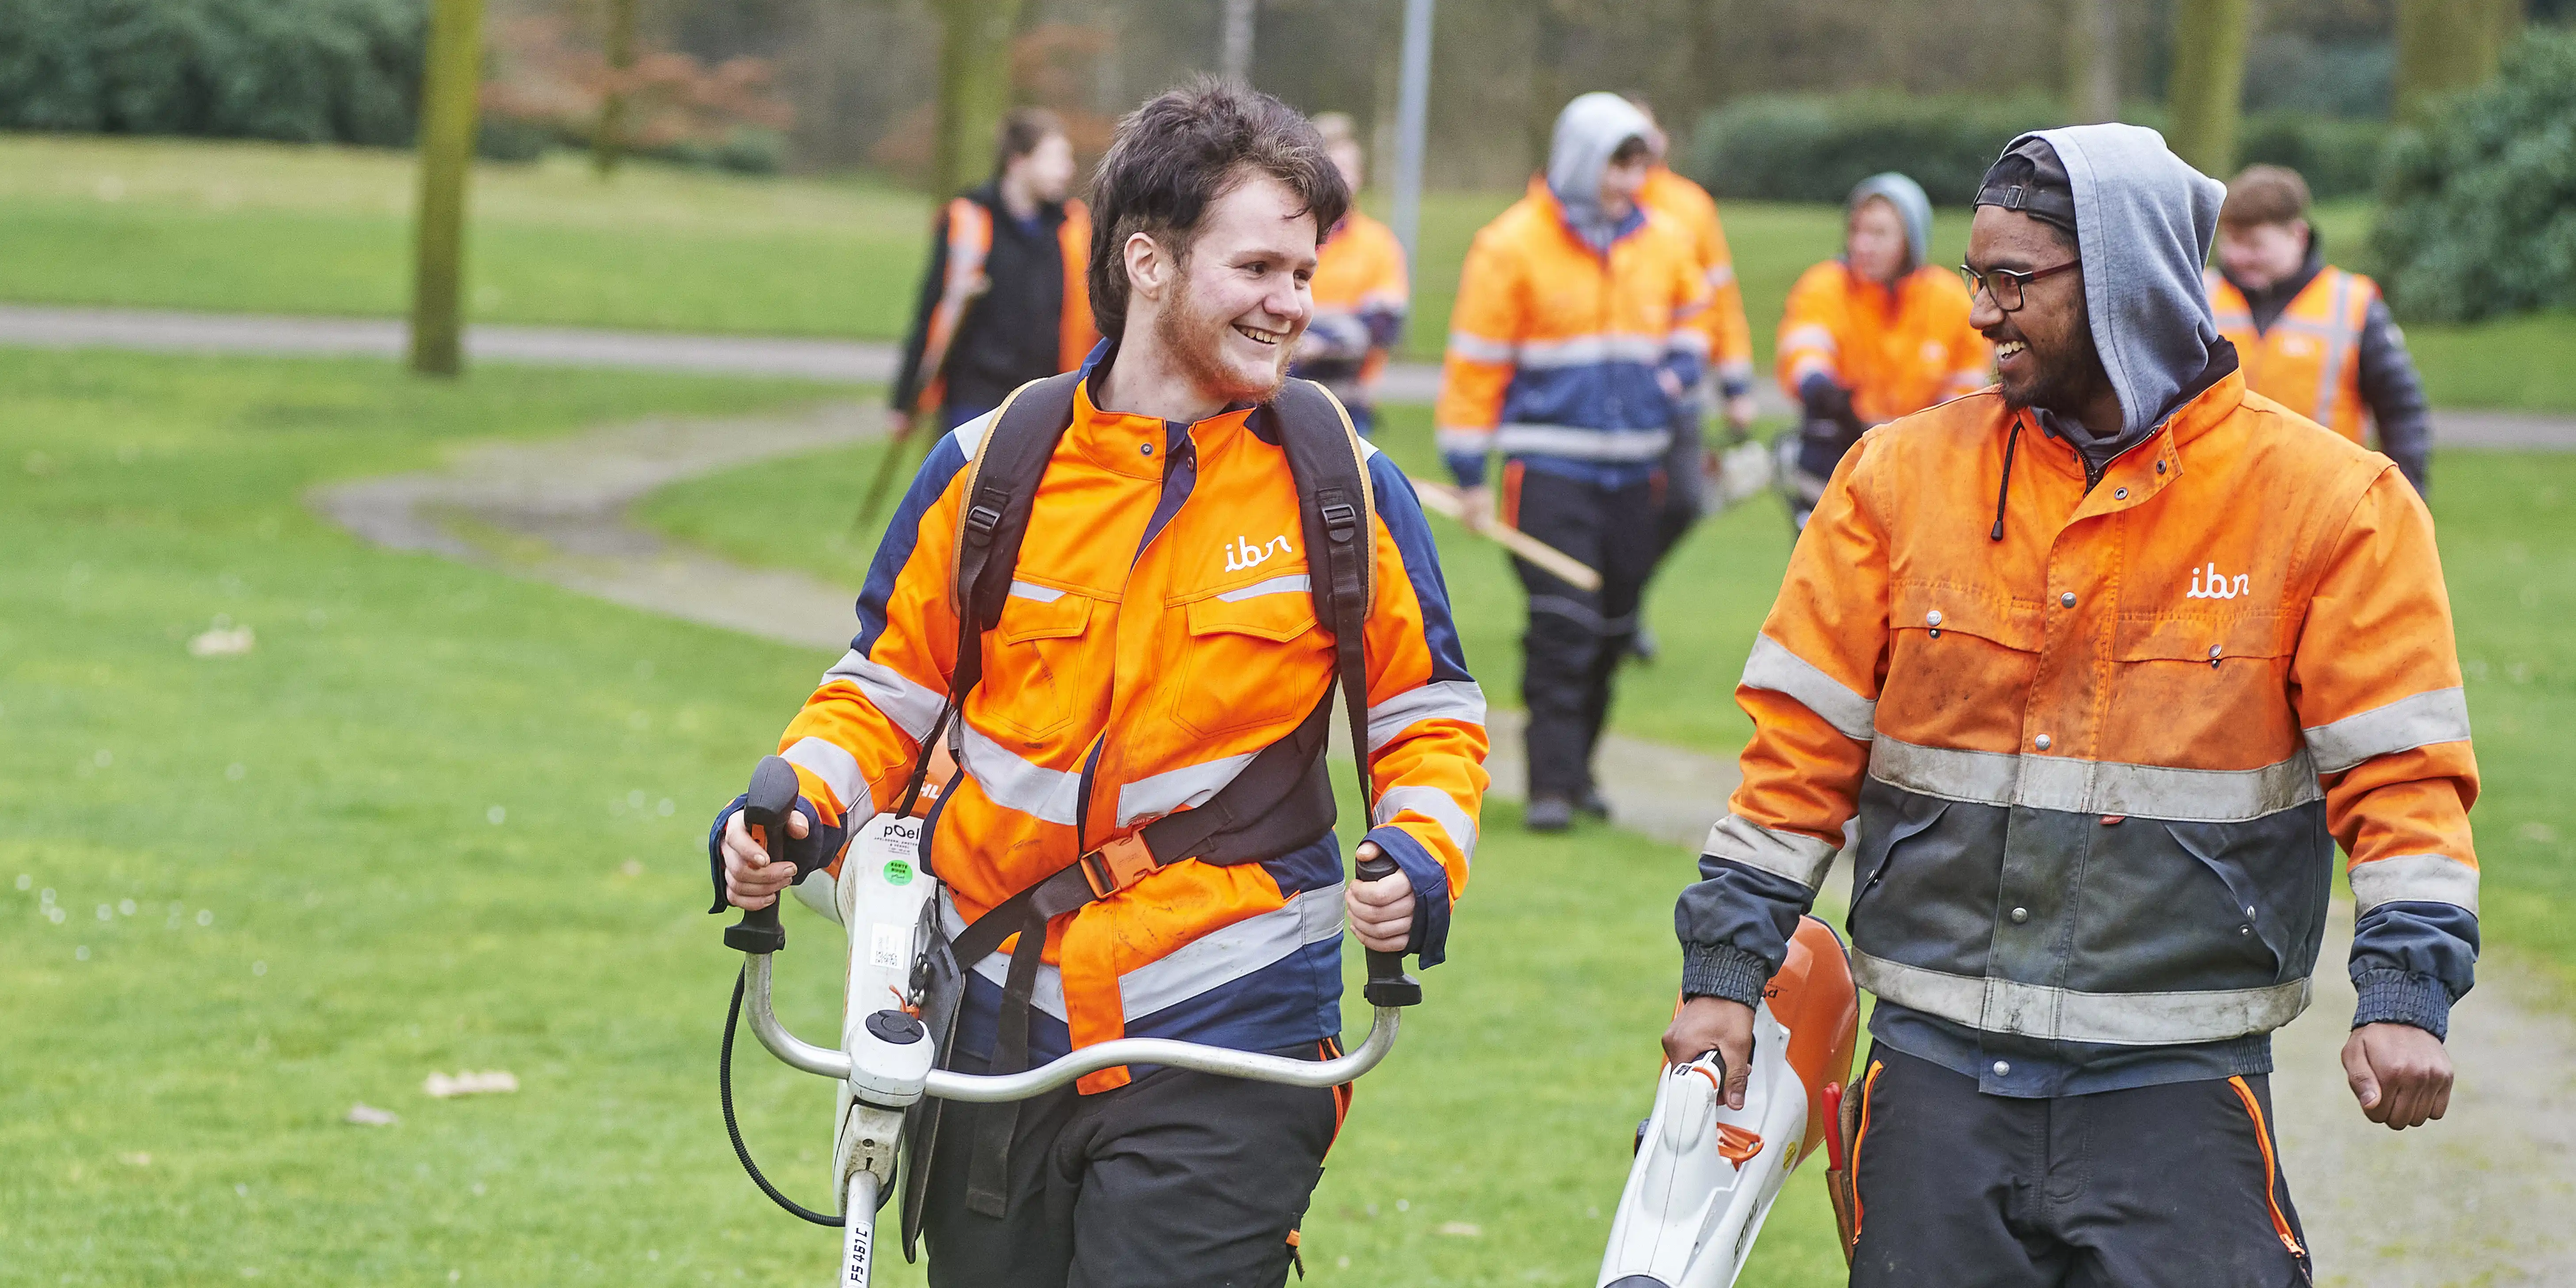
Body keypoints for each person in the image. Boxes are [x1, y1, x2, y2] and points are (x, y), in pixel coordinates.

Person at [1664, 126, 2477, 1285]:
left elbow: (2404, 780)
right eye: (1975, 278)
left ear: (2129, 277)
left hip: (2176, 1085)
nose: (1983, 314)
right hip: (1934, 1083)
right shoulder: (1896, 480)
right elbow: (1793, 761)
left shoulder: (2333, 507)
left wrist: (2405, 993)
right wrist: (1721, 978)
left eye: (2015, 282)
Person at [712, 81, 1487, 1286]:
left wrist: (1421, 859)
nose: (1293, 305)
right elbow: (886, 693)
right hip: (988, 1023)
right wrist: (793, 815)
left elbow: (1425, 714)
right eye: (1261, 269)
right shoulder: (993, 468)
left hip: (1233, 1026)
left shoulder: (1340, 485)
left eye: (1306, 271)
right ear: (1149, 262)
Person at [1437, 92, 1708, 833]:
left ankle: (1582, 769)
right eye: (1617, 165)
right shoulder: (1510, 245)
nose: (1628, 182)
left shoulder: (1667, 241)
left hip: (1636, 475)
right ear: (1582, 159)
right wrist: (1465, 471)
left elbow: (1695, 326)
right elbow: (1474, 367)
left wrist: (1670, 382)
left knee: (1615, 629)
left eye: (1638, 165)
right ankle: (1551, 786)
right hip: (1549, 472)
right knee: (1565, 626)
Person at [1775, 173, 1991, 530]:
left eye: (1878, 234)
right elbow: (1804, 346)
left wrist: (1923, 433)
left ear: (1911, 239)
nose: (1863, 245)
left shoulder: (1950, 301)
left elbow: (1968, 391)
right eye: (1857, 231)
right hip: (1834, 459)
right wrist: (1821, 388)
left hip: (1921, 468)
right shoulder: (1826, 285)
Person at [2209, 163, 2433, 493]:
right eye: (2231, 242)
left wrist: (2406, 500)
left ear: (2297, 236)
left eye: (2255, 245)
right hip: (2216, 502)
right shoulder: (2200, 296)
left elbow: (2402, 413)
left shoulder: (2354, 303)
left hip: (2326, 505)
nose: (2239, 257)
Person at [889, 108, 1099, 435]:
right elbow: (932, 309)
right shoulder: (967, 219)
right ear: (1018, 161)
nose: (1067, 170)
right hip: (974, 395)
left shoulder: (1073, 226)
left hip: (1046, 397)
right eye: (1055, 158)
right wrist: (906, 399)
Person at [1625, 96, 1758, 595]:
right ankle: (1620, 605)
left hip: (1678, 380)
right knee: (1624, 507)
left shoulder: (1689, 205)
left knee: (1683, 500)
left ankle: (1628, 589)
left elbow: (1720, 298)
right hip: (1616, 386)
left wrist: (1736, 384)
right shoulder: (1598, 199)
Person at [1289, 112, 1408, 437]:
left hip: (1349, 407)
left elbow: (1385, 324)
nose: (1346, 180)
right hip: (1281, 400)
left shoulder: (1377, 244)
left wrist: (1320, 342)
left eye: (1352, 169)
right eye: (1336, 169)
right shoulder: (1287, 238)